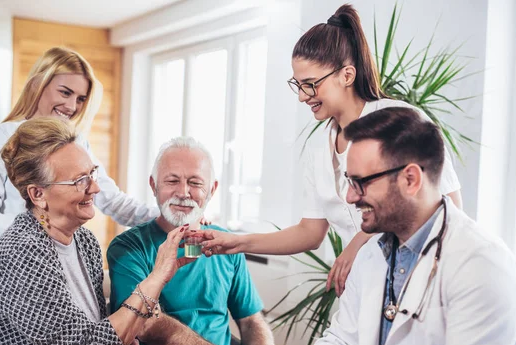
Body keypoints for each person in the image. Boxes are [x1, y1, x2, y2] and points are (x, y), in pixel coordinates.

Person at [254, 108, 516, 345]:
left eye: (360, 182)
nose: (350, 197)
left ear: (410, 179)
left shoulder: (481, 262)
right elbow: (343, 344)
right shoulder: (373, 253)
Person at [198, 4, 463, 296]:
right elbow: (310, 232)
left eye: (310, 85)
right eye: (297, 85)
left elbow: (449, 206)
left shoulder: (401, 120)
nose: (302, 97)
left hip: (419, 282)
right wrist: (238, 243)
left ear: (347, 75)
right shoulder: (318, 148)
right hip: (362, 290)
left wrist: (357, 242)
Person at [0, 118, 237, 345]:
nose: (95, 188)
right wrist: (158, 275)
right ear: (38, 194)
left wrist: (126, 344)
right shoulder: (21, 253)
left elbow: (94, 330)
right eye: (79, 180)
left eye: (92, 174)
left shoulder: (84, 241)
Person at [107, 137, 275, 345]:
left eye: (195, 183)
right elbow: (146, 324)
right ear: (153, 186)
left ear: (212, 189)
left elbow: (251, 321)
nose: (184, 192)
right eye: (172, 181)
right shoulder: (128, 247)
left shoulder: (227, 246)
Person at [0, 47, 159, 243]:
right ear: (37, 85)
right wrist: (45, 228)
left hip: (63, 260)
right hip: (13, 263)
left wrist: (167, 220)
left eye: (80, 99)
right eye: (65, 93)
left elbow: (113, 201)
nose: (72, 107)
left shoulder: (77, 143)